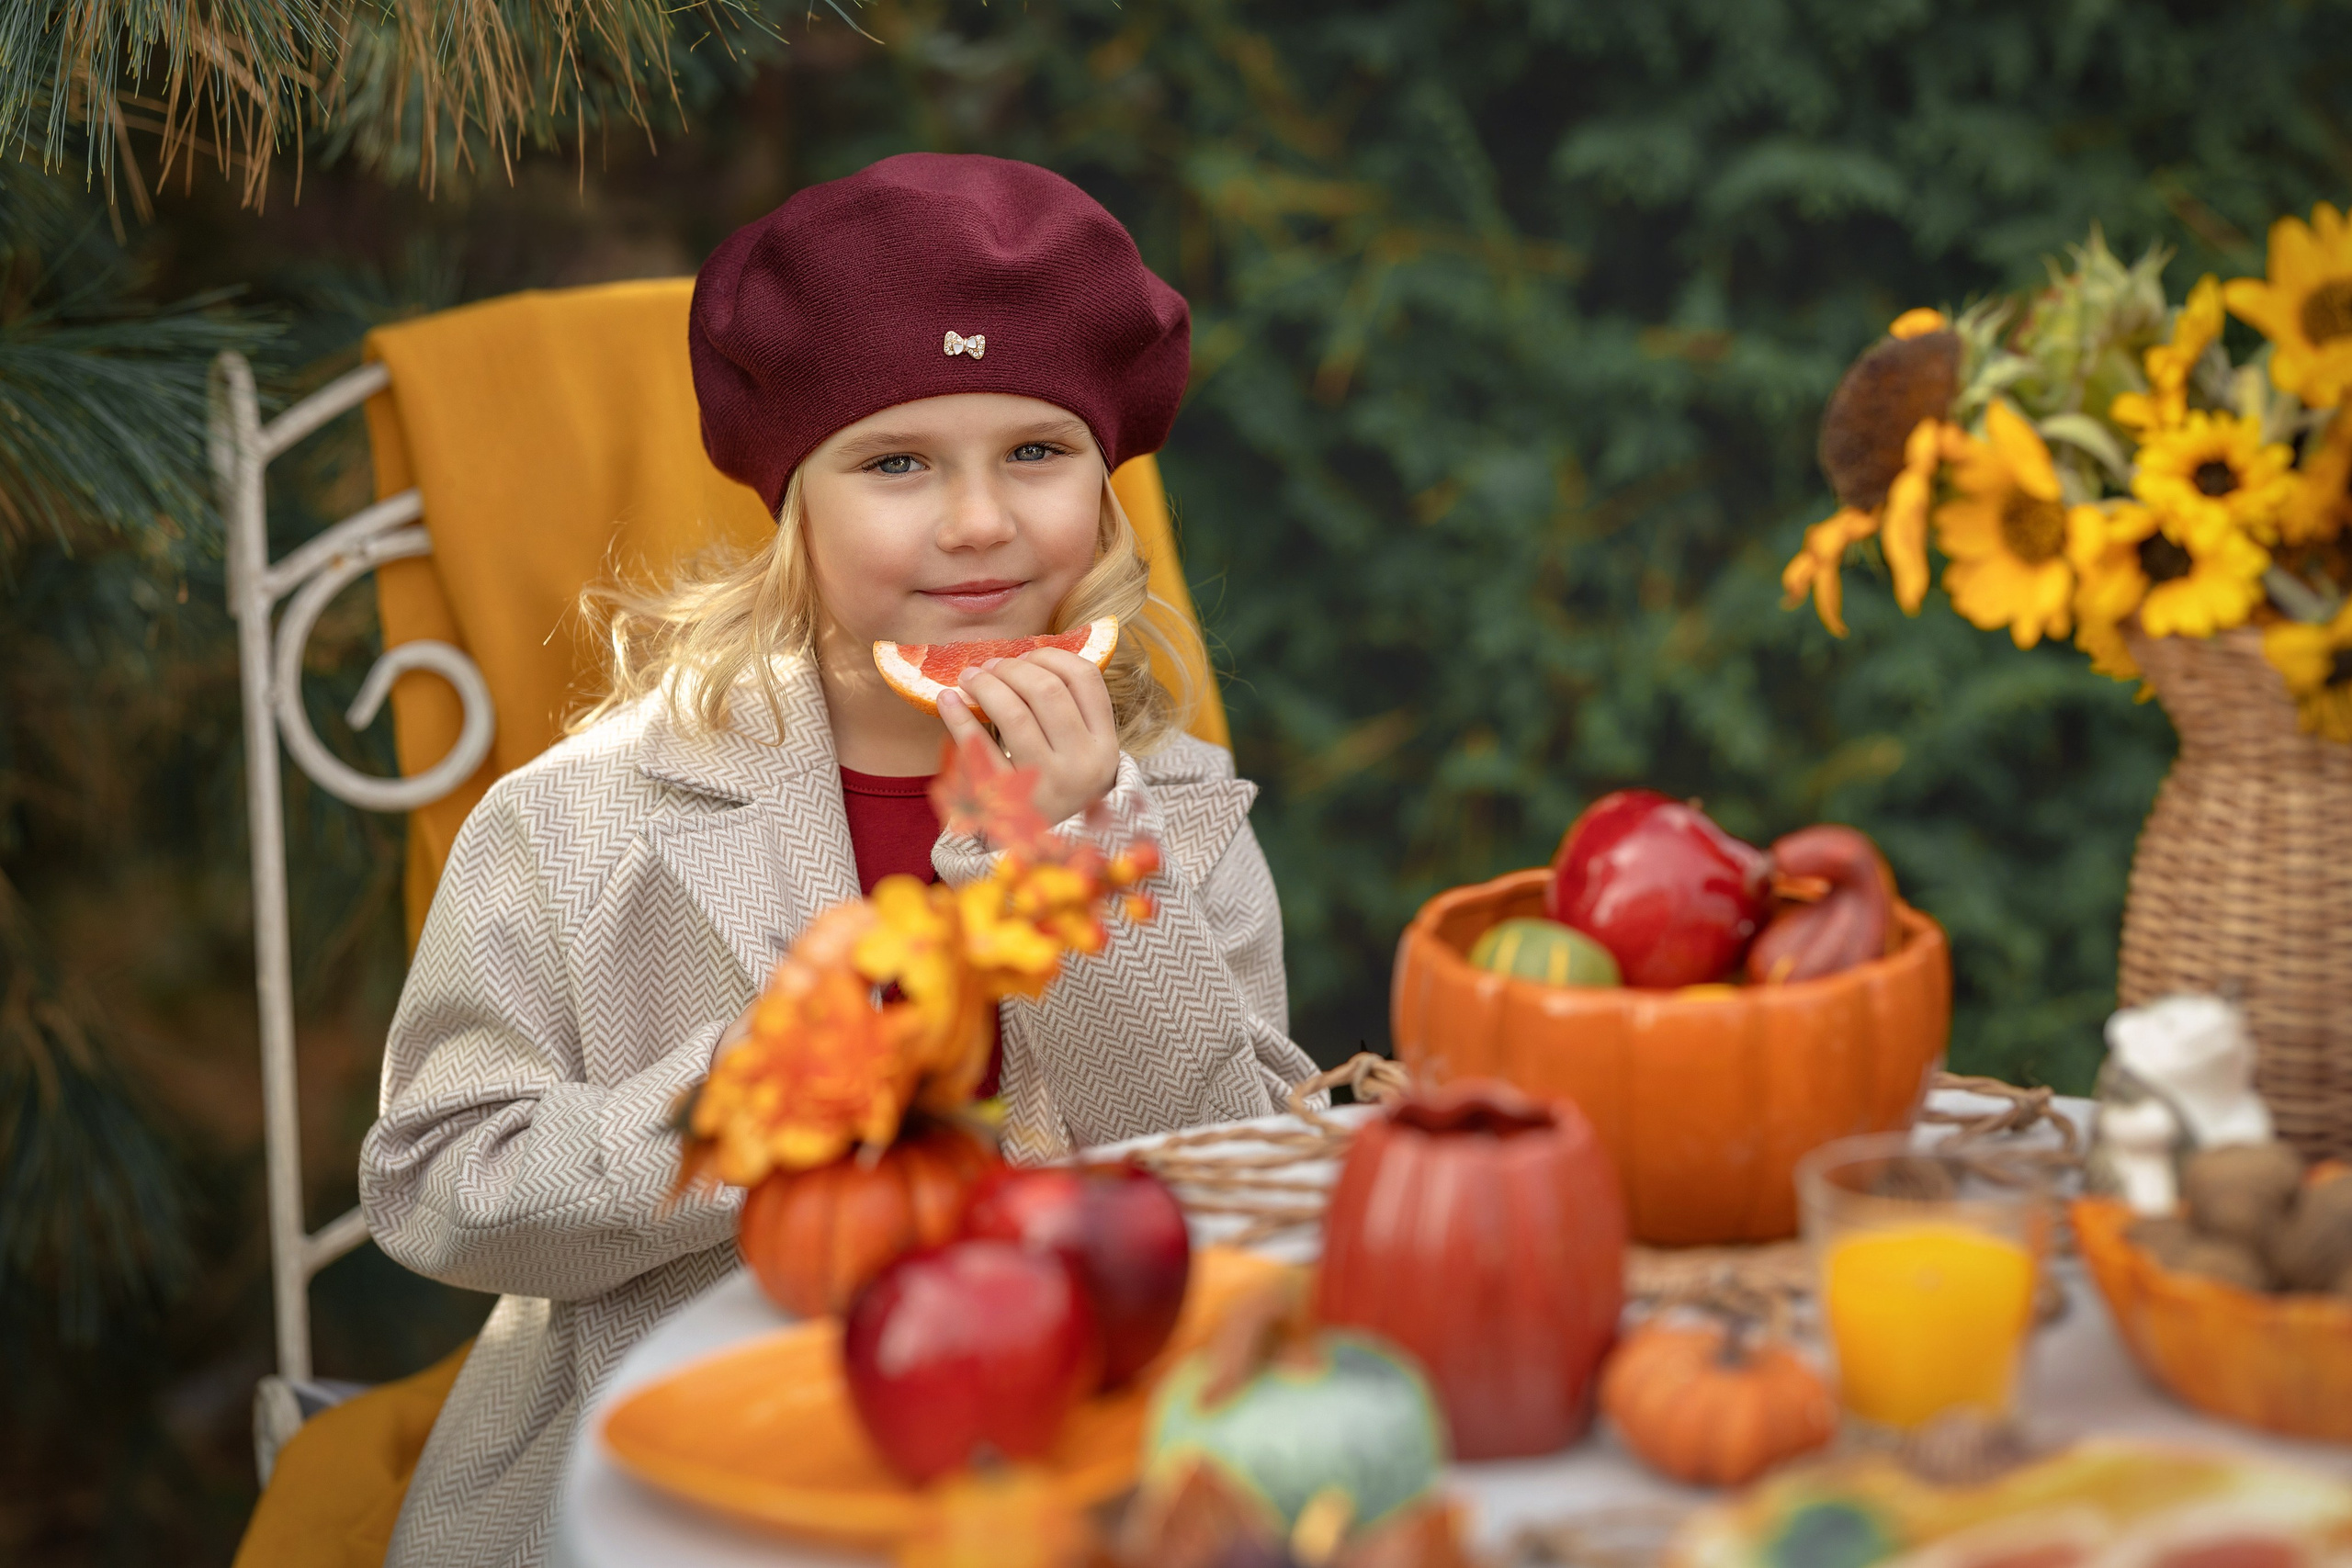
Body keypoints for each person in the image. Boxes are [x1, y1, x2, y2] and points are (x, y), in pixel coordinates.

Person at [356, 152, 1317, 1568]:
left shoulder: (1172, 809)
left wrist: (1071, 850)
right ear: (791, 505)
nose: (980, 520)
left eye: (1035, 453)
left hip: (1076, 1431)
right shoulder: (579, 820)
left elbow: (1226, 1171)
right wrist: (741, 1100)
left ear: (1107, 497)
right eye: (897, 462)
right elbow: (437, 1184)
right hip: (698, 1434)